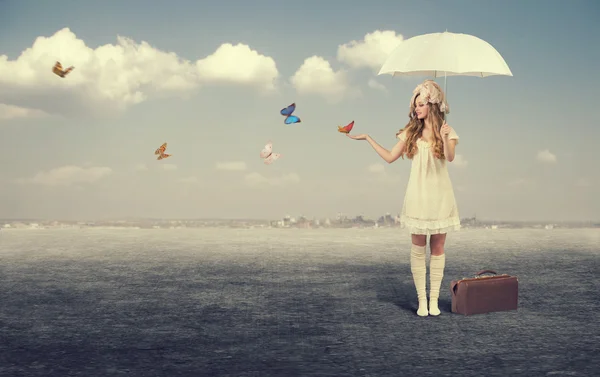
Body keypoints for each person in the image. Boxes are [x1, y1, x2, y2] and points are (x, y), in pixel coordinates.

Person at [347, 79, 460, 317]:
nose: (416, 109)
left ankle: (434, 302)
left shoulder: (446, 130)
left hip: (441, 194)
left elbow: (449, 158)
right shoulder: (411, 131)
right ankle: (421, 301)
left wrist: (446, 135)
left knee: (438, 248)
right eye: (415, 105)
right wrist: (367, 137)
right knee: (418, 248)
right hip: (418, 194)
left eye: (421, 104)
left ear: (432, 105)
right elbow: (389, 157)